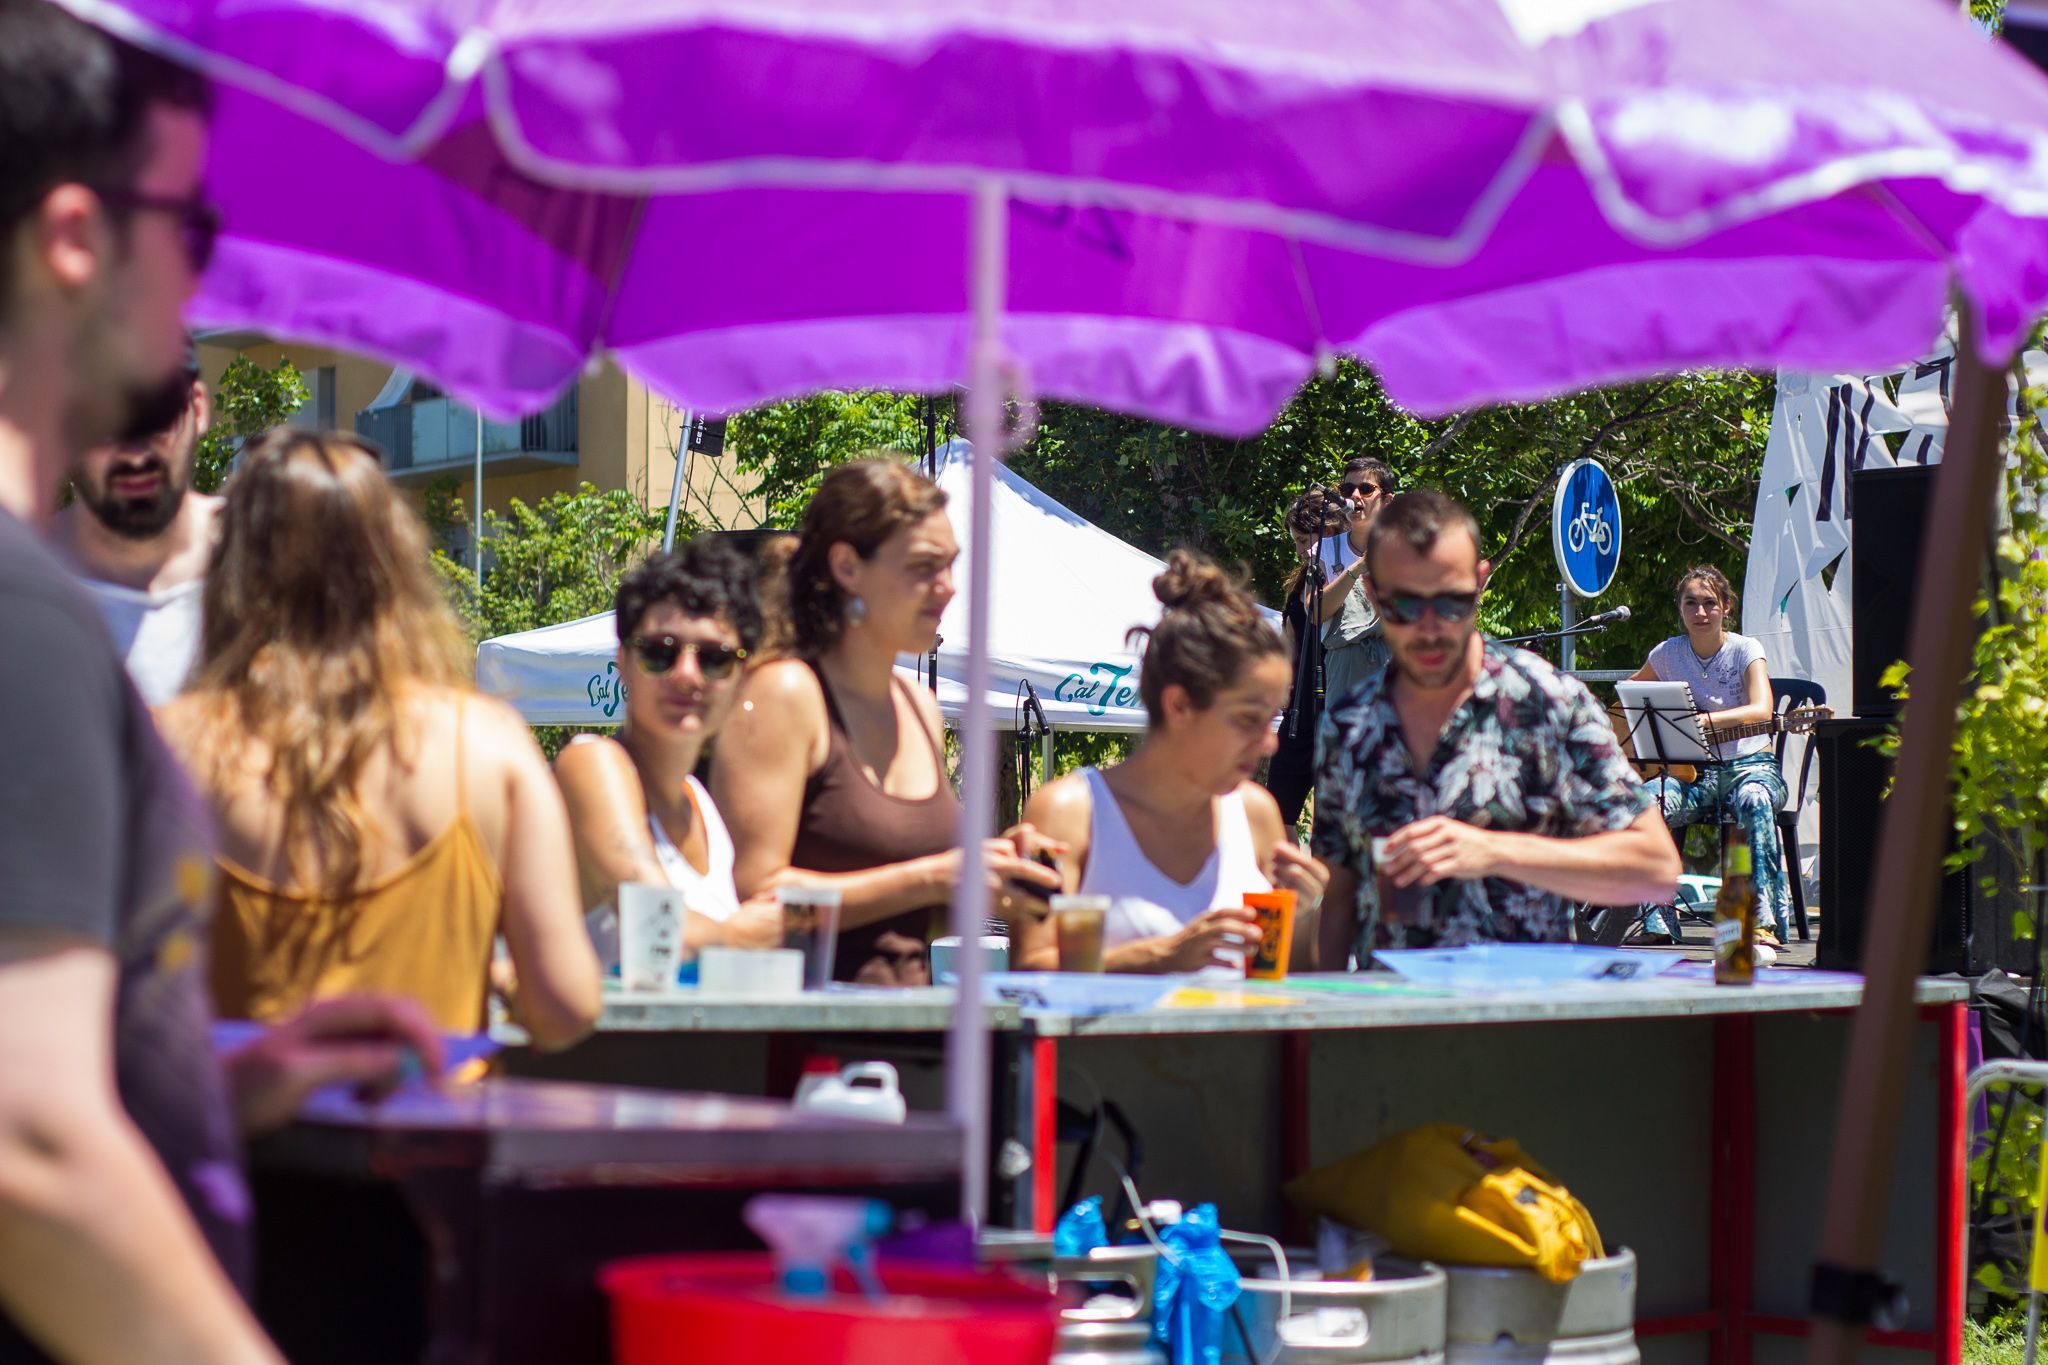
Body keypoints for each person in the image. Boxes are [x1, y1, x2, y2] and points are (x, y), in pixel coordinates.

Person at [0, 8, 436, 1361]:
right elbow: (27, 1146)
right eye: (186, 229)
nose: (199, 279)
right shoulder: (24, 617)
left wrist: (216, 1078)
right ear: (76, 238)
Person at [158, 429, 601, 1046]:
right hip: (433, 1131)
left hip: (241, 1132)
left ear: (232, 569)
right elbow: (566, 1004)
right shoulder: (491, 745)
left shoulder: (171, 745)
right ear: (393, 565)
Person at [712, 457, 1060, 985]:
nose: (947, 587)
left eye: (951, 566)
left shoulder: (918, 705)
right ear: (848, 567)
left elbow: (909, 914)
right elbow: (754, 901)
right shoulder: (787, 693)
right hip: (804, 1043)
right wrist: (933, 875)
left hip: (911, 1035)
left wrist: (996, 876)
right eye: (924, 566)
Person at [1312, 491, 1680, 968]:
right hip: (1389, 1025)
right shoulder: (1349, 724)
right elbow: (1338, 903)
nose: (1429, 628)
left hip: (1519, 1024)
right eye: (1404, 604)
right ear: (1375, 594)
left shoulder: (1546, 701)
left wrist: (1492, 851)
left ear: (1480, 583)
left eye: (1450, 602)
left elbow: (1655, 869)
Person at [1017, 551, 1328, 973]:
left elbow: (1281, 981)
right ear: (1179, 706)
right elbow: (1029, 971)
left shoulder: (1257, 814)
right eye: (1248, 719)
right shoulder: (1070, 813)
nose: (1269, 743)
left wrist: (1305, 914)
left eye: (1273, 716)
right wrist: (1160, 956)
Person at [556, 541, 782, 960]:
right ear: (622, 663)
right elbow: (657, 928)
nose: (686, 675)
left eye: (715, 659)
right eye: (661, 653)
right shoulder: (592, 764)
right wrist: (747, 932)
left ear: (740, 678)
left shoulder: (702, 806)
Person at [1625, 565, 1793, 944]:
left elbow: (1762, 710)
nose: (1700, 613)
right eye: (1691, 604)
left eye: (1709, 604)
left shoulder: (1746, 649)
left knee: (1753, 799)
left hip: (1751, 769)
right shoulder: (1667, 653)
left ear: (1726, 608)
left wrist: (1704, 722)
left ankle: (1761, 925)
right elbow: (1629, 701)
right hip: (1694, 776)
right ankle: (1658, 922)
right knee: (1646, 801)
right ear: (1680, 610)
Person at [49, 335, 215, 704]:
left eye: (157, 413)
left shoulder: (268, 561)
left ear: (198, 409)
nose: (136, 455)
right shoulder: (20, 585)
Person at [1262, 492, 1336, 828]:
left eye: (1307, 540)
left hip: (1338, 713)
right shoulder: (1300, 584)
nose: (1301, 550)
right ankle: (1290, 882)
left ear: (1332, 532)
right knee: (1275, 816)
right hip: (1298, 718)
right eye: (1296, 541)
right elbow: (1287, 647)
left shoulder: (1354, 576)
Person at [1314, 457, 1396, 707]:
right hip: (1344, 667)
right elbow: (1315, 612)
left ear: (1387, 500)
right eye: (1348, 490)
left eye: (1367, 489)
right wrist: (1357, 568)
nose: (1355, 496)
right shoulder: (1324, 549)